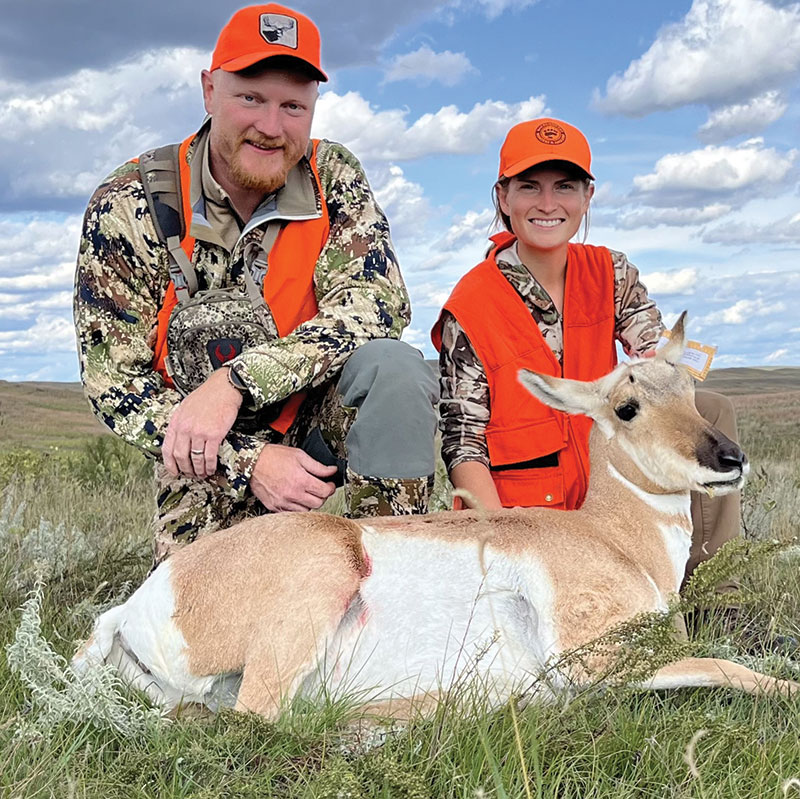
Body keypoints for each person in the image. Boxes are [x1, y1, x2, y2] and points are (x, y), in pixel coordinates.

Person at [74, 4, 438, 565]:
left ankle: (394, 577)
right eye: (250, 98)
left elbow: (376, 303)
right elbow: (114, 382)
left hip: (319, 422)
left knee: (395, 368)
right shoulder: (129, 205)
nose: (272, 127)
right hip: (205, 453)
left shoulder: (332, 176)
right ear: (208, 90)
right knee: (209, 634)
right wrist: (250, 461)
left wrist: (236, 382)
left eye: (293, 105)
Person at [432, 117, 739, 586]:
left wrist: (667, 365)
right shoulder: (470, 306)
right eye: (530, 187)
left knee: (712, 409)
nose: (549, 204)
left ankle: (715, 589)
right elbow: (464, 445)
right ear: (503, 197)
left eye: (566, 187)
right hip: (534, 523)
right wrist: (502, 553)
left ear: (587, 197)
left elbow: (656, 356)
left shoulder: (610, 273)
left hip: (610, 503)